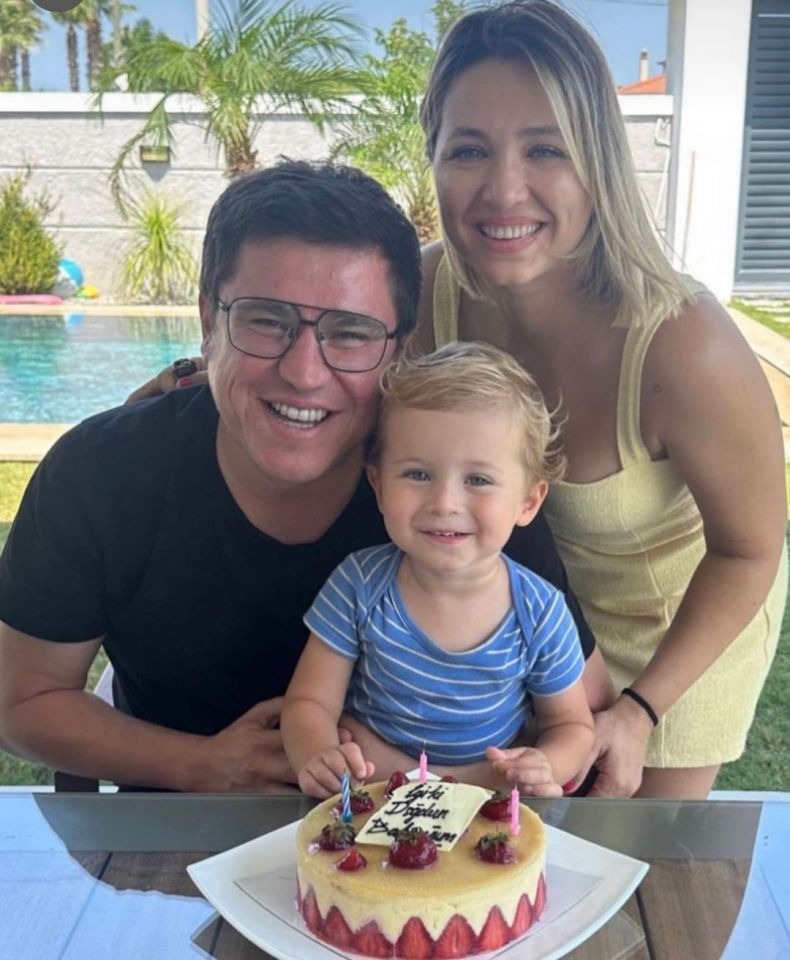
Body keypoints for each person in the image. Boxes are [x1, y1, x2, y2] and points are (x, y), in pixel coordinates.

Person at [0, 160, 608, 792]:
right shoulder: (102, 474)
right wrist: (201, 766)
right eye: (266, 320)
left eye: (351, 332)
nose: (304, 373)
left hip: (411, 838)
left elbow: (580, 707)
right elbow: (21, 704)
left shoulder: (456, 488)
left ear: (398, 350)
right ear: (209, 324)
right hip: (178, 826)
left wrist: (460, 776)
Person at [415, 0, 787, 799]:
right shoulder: (424, 294)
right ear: (434, 160)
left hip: (673, 642)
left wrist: (641, 712)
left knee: (643, 869)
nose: (503, 189)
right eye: (469, 149)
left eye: (545, 148)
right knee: (505, 855)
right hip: (526, 631)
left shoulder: (684, 342)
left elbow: (751, 548)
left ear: (598, 162)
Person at [282, 341, 595, 798]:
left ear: (528, 501)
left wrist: (546, 764)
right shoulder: (358, 585)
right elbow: (308, 702)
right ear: (378, 485)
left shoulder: (541, 612)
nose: (445, 503)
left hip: (488, 811)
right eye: (418, 474)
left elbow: (571, 726)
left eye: (478, 480)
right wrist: (317, 756)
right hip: (375, 803)